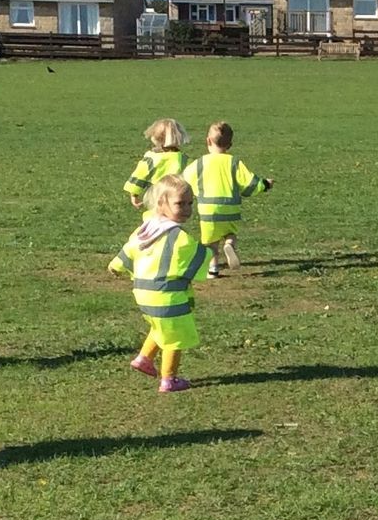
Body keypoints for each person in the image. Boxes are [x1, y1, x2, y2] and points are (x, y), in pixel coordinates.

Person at [110, 175, 208, 393]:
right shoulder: (178, 237)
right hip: (167, 294)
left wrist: (116, 265)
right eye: (180, 204)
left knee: (160, 326)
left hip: (143, 293)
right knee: (175, 338)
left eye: (190, 203)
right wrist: (209, 255)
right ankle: (169, 380)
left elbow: (129, 248)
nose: (186, 209)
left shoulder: (146, 228)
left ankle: (144, 358)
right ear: (162, 203)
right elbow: (194, 256)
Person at [180, 121, 274, 277]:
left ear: (208, 141)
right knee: (230, 233)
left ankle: (213, 270)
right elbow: (249, 183)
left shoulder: (200, 163)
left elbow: (185, 181)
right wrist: (265, 185)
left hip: (208, 210)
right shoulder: (234, 162)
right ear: (230, 144)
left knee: (210, 242)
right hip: (230, 209)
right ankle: (229, 244)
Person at [123, 119, 187, 208]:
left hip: (156, 196)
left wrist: (134, 194)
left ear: (155, 138)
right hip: (177, 197)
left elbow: (139, 175)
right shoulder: (184, 159)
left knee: (155, 215)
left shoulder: (151, 159)